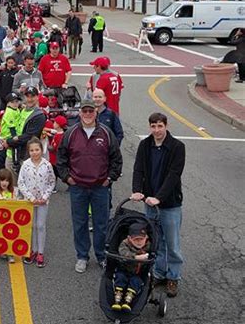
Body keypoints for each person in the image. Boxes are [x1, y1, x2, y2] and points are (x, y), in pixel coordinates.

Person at [56, 98, 123, 271]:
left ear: (96, 112)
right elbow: (61, 158)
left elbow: (116, 159)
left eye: (90, 111)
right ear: (80, 113)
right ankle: (82, 256)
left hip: (100, 187)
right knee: (80, 223)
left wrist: (109, 179)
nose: (87, 114)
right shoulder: (70, 133)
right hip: (78, 187)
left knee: (101, 224)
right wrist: (67, 178)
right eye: (84, 111)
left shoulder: (106, 133)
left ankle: (101, 255)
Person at [131, 112, 185, 298]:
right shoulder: (145, 145)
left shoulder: (177, 147)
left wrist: (159, 198)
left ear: (166, 126)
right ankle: (160, 273)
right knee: (156, 240)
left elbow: (173, 175)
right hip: (149, 203)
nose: (156, 130)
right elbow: (138, 169)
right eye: (153, 126)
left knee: (172, 243)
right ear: (149, 127)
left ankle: (174, 276)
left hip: (169, 204)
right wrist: (137, 190)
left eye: (160, 126)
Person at [18, 137, 56, 268]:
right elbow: (21, 183)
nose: (35, 152)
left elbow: (52, 182)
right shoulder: (26, 165)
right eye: (32, 150)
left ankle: (40, 252)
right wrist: (30, 197)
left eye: (37, 149)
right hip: (29, 201)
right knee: (31, 225)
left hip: (43, 202)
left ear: (41, 149)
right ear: (28, 151)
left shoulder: (47, 165)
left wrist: (45, 197)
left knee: (40, 225)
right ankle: (32, 250)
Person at [3, 86, 46, 172]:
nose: (29, 99)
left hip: (25, 157)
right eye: (27, 96)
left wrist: (9, 142)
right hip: (12, 153)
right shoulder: (21, 109)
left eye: (32, 96)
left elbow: (29, 137)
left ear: (37, 97)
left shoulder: (39, 115)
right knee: (12, 184)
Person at [112, 221, 151, 311]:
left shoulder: (148, 246)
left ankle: (128, 300)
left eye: (141, 239)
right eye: (136, 239)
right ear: (129, 238)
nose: (139, 242)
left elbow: (154, 253)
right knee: (120, 277)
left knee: (136, 281)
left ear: (146, 238)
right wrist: (136, 257)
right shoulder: (124, 244)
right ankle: (118, 297)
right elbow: (123, 253)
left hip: (138, 273)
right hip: (124, 269)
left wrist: (149, 256)